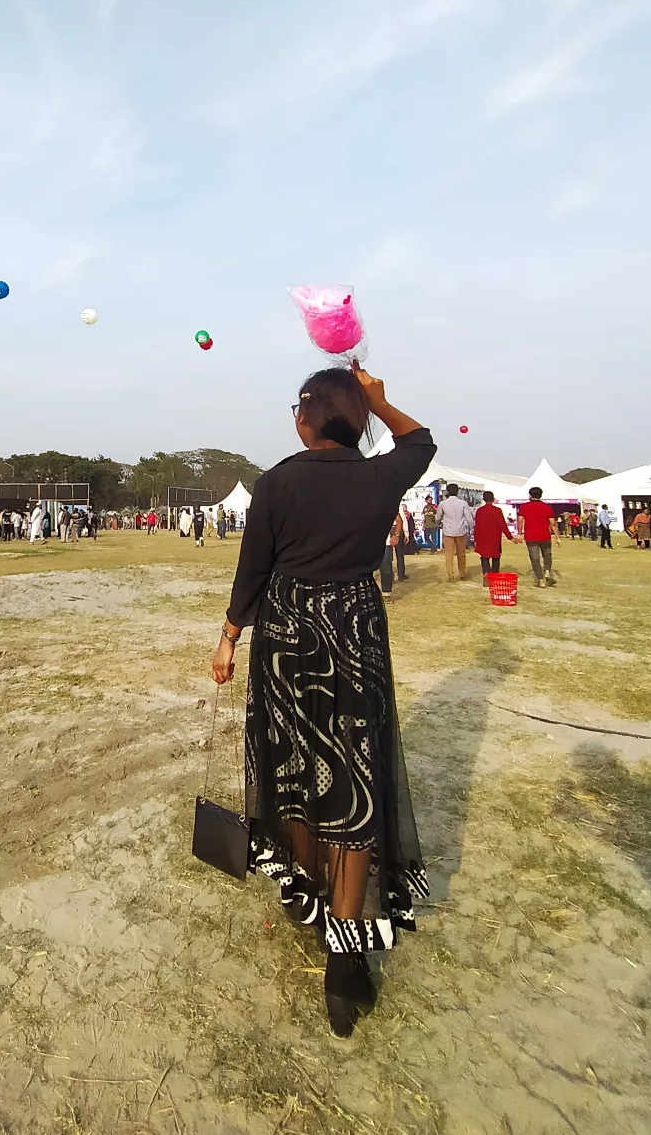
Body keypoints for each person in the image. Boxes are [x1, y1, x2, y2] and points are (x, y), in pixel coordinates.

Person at [214, 365, 435, 1038]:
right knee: (353, 776)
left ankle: (307, 893)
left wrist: (228, 638)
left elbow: (252, 572)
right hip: (354, 630)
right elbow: (420, 441)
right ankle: (344, 960)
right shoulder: (380, 476)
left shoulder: (276, 483)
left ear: (307, 417)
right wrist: (381, 403)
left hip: (286, 635)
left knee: (296, 768)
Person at [517, 486, 560, 586]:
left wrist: (519, 534)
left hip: (531, 536)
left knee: (535, 558)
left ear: (530, 495)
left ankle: (541, 580)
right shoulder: (547, 507)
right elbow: (553, 523)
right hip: (545, 536)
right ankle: (547, 572)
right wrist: (557, 537)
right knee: (547, 555)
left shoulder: (524, 507)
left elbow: (520, 521)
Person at [434, 483, 473, 582]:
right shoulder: (463, 503)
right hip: (461, 531)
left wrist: (439, 523)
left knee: (449, 554)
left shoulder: (443, 503)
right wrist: (472, 528)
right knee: (461, 554)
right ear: (457, 491)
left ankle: (450, 575)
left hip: (448, 531)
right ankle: (462, 573)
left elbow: (437, 517)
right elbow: (469, 519)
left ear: (447, 491)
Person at [473, 491, 516, 581]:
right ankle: (495, 576)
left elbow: (476, 526)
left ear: (483, 499)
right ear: (493, 499)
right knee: (496, 556)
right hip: (495, 537)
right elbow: (503, 525)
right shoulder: (497, 510)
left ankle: (486, 573)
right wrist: (510, 537)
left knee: (484, 556)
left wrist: (476, 539)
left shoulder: (480, 511)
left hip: (483, 537)